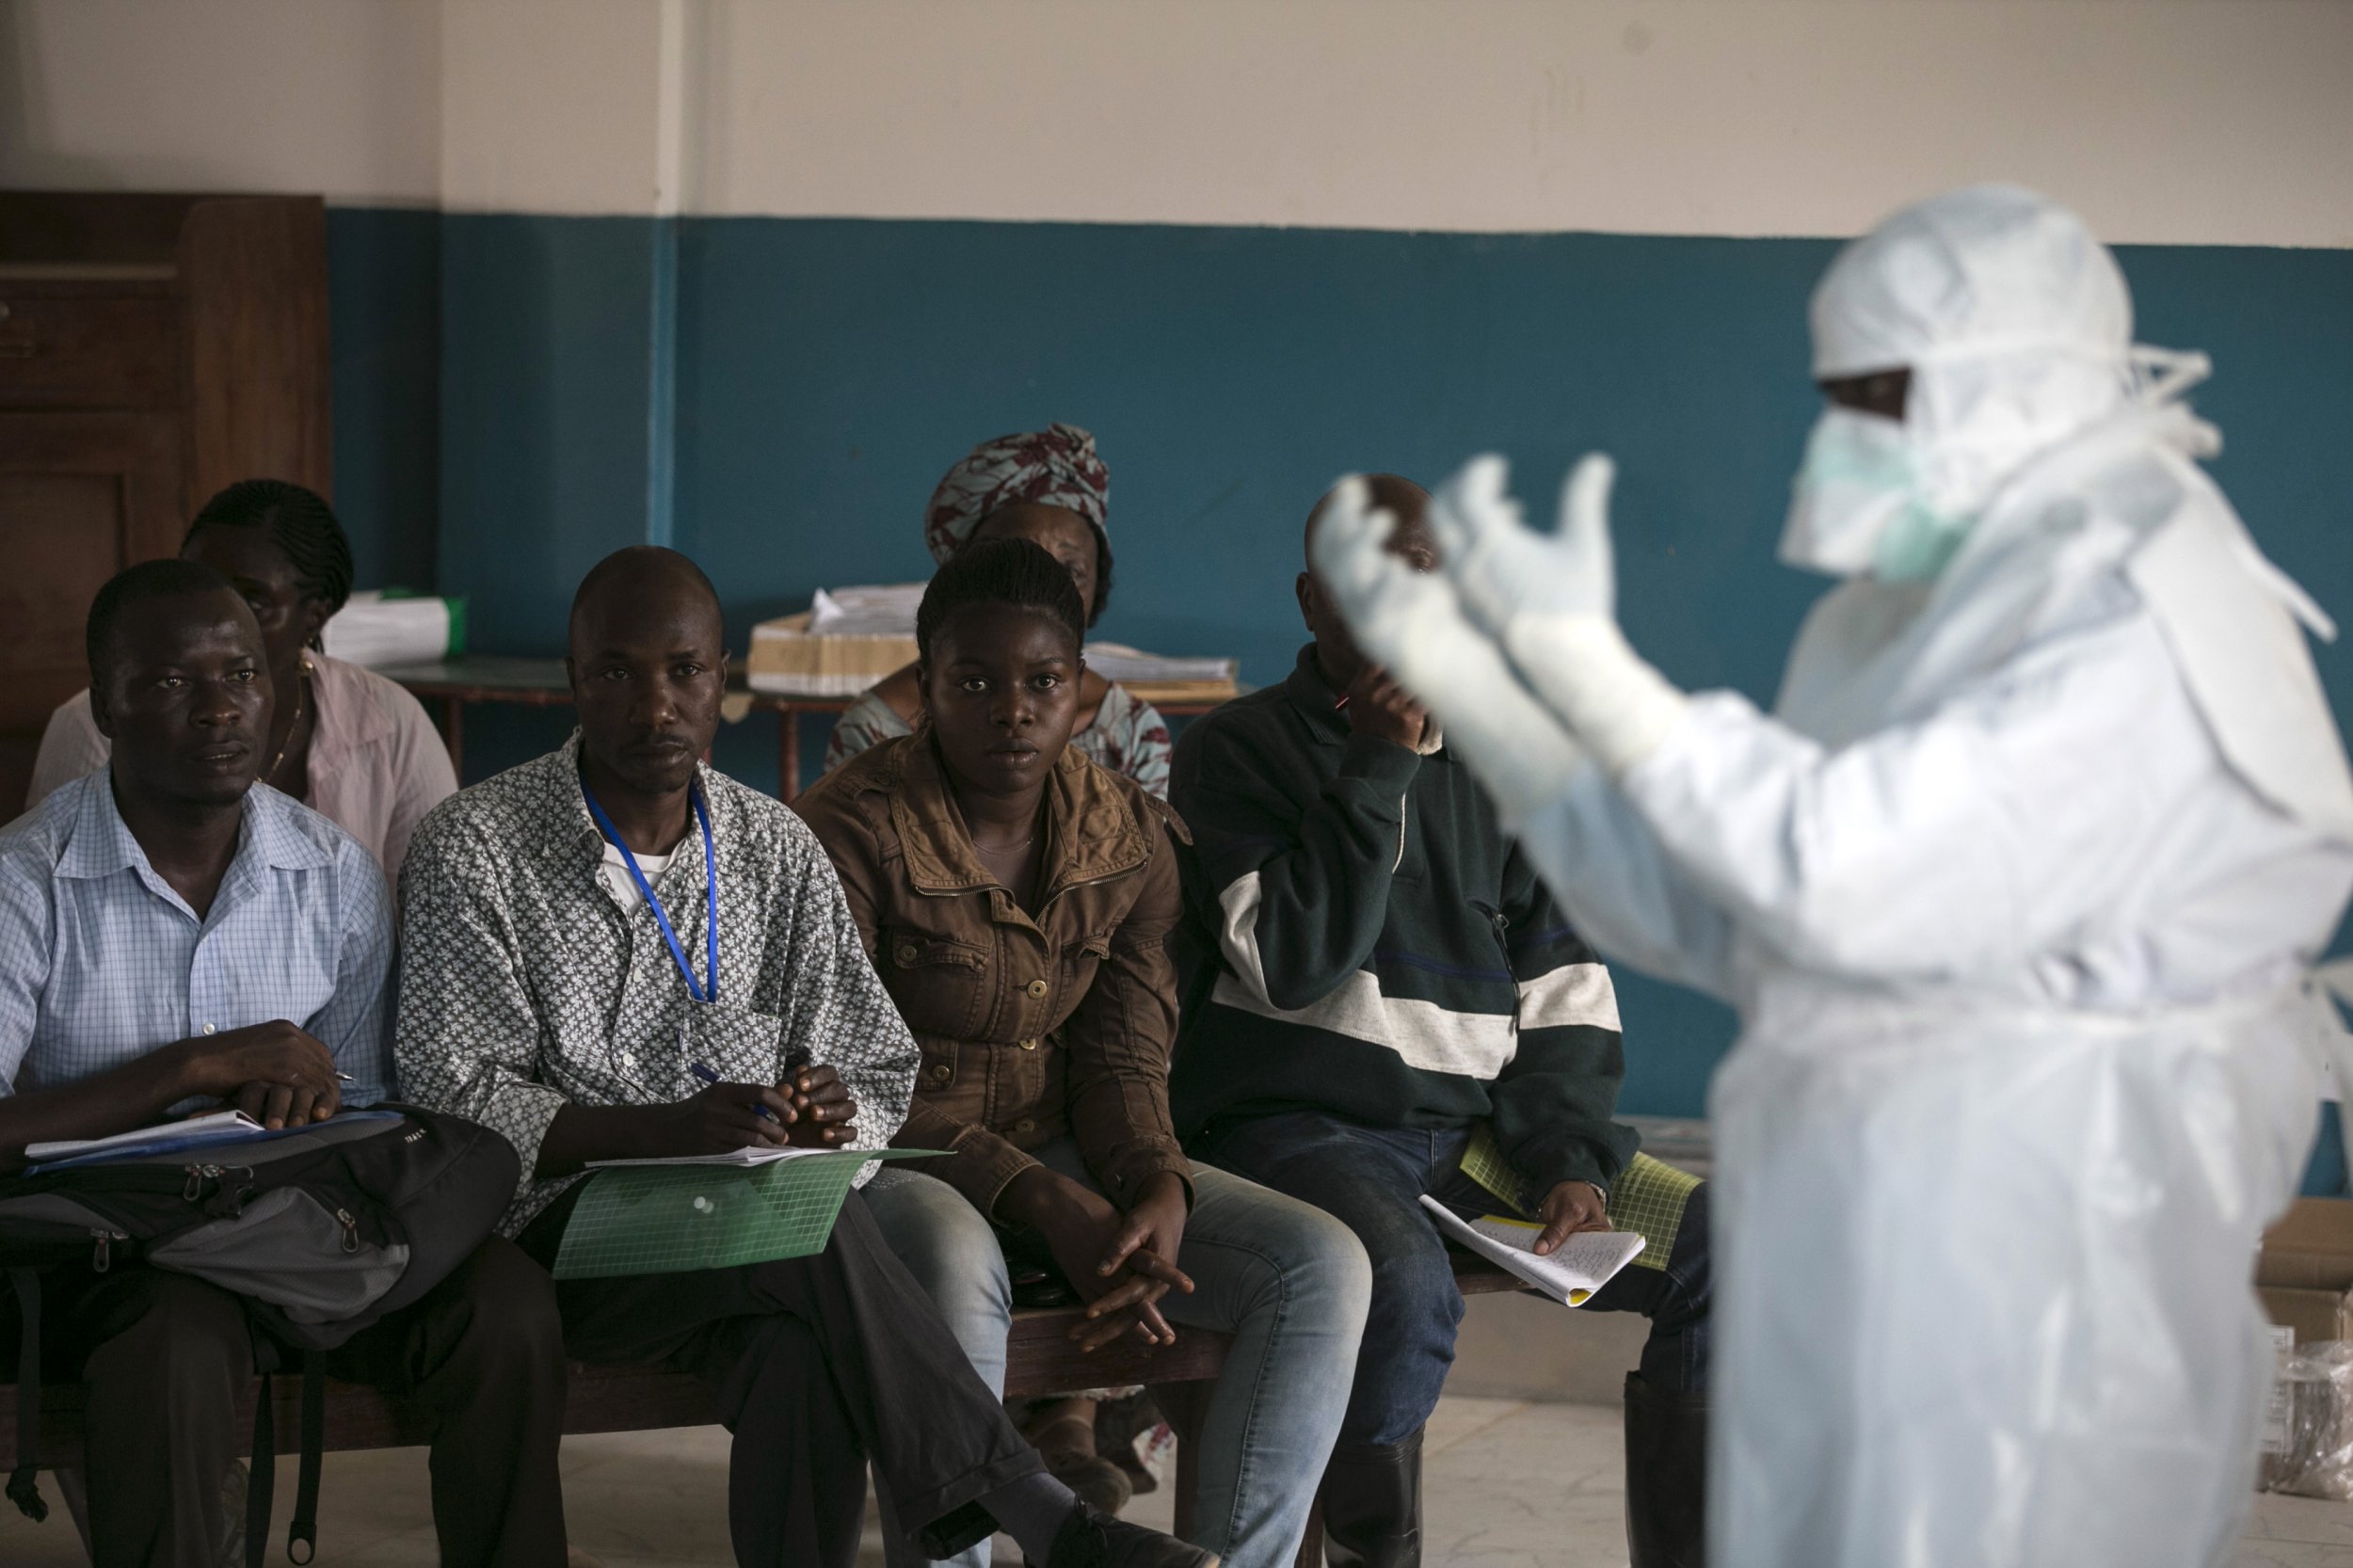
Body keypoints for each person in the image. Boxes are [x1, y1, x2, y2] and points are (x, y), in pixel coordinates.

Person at [1307, 184, 2353, 1568]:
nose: (1843, 438)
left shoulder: (2132, 604)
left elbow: (1826, 866)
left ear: (2016, 388)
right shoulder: (1911, 606)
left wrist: (1584, 665)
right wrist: (1475, 688)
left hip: (2043, 1247)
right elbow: (1726, 910)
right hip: (1870, 1204)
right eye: (1836, 394)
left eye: (1880, 396)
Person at [393, 545, 1215, 1568]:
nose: (656, 704)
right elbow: (453, 1104)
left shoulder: (769, 845)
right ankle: (1045, 1518)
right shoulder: (474, 844)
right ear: (574, 681)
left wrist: (832, 1116)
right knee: (812, 1241)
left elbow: (872, 1064)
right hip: (554, 1236)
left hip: (735, 1237)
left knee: (803, 1334)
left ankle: (1030, 1513)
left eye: (685, 671)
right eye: (617, 672)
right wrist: (663, 1131)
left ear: (723, 681)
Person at [1167, 479, 1712, 1568]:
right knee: (1396, 1285)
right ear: (1313, 602)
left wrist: (1571, 1158)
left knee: (1726, 1244)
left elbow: (1560, 982)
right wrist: (1376, 766)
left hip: (1469, 1142)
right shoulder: (1236, 751)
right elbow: (1286, 963)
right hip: (1296, 1128)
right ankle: (1376, 1550)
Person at [797, 537, 1371, 1568]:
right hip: (893, 1158)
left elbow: (1121, 1052)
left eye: (1041, 683)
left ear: (1080, 694)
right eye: (973, 682)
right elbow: (852, 1082)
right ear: (923, 688)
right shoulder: (847, 831)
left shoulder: (1129, 834)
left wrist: (1153, 1182)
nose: (1011, 710)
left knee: (1318, 1264)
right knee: (956, 1255)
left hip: (1061, 1145)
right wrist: (1043, 1198)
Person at [0, 559, 567, 1568]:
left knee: (505, 1301)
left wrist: (307, 1097)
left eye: (244, 675)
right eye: (172, 681)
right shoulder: (27, 882)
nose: (221, 708)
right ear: (106, 707)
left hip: (296, 1225)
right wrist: (194, 1065)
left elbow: (363, 1099)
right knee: (173, 1343)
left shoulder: (330, 870)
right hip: (125, 1250)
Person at [24, 478, 457, 880]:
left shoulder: (391, 721)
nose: (216, 616)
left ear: (316, 615)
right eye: (199, 584)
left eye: (252, 599)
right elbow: (57, 875)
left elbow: (438, 902)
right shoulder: (95, 721)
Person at [823, 424, 1174, 797]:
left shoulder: (1131, 730)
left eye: (1070, 570)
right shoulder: (875, 728)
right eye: (1014, 563)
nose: (1043, 589)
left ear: (1098, 582)